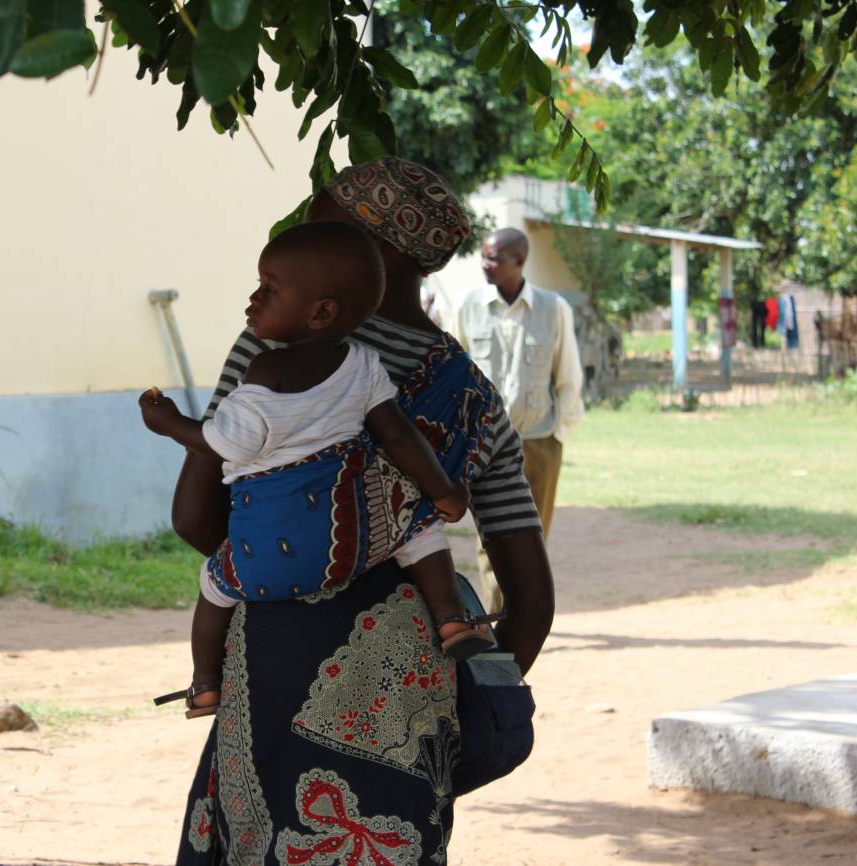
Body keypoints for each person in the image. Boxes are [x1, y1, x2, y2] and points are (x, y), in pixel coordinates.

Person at [170, 157, 554, 864]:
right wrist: (445, 720)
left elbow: (196, 517)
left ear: (379, 252)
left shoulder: (276, 352)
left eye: (318, 233)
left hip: (276, 666)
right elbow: (530, 602)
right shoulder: (477, 398)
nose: (292, 252)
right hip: (411, 693)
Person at [138, 222, 490, 719]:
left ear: (322, 312)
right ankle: (452, 618)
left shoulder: (263, 370)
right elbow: (398, 436)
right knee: (421, 528)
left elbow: (222, 443)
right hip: (349, 544)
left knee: (214, 584)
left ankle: (204, 683)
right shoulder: (368, 364)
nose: (253, 299)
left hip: (265, 566)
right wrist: (445, 491)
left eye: (268, 289)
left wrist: (169, 423)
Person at [453, 228, 583, 614]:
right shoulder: (467, 305)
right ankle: (497, 617)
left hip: (539, 440)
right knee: (489, 537)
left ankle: (526, 616)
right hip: (485, 444)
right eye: (483, 256)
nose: (484, 264)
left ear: (520, 261)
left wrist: (557, 436)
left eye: (494, 258)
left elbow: (568, 375)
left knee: (533, 536)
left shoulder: (553, 307)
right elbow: (454, 373)